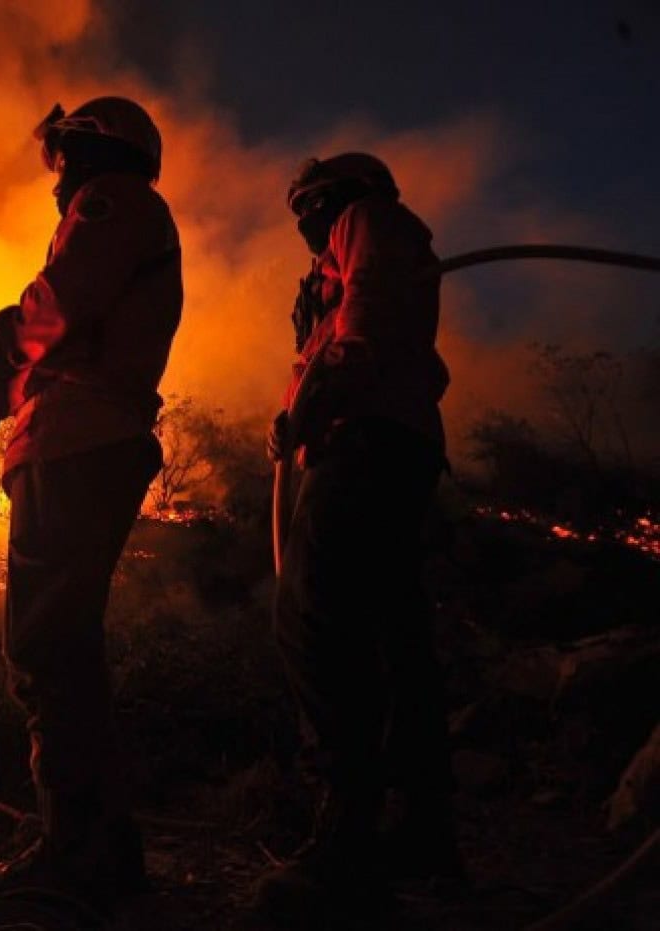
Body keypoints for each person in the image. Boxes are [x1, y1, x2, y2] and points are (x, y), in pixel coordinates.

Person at [0, 96, 183, 902]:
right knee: (64, 649)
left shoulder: (113, 202)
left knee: (48, 650)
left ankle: (74, 855)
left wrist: (13, 334)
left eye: (66, 159)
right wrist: (9, 388)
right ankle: (100, 848)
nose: (59, 183)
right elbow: (78, 345)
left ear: (95, 151)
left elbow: (65, 300)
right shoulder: (125, 212)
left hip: (79, 446)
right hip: (76, 437)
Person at [259, 153, 461, 913]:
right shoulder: (361, 247)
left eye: (305, 208)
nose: (305, 226)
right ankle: (422, 833)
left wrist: (317, 401)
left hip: (366, 438)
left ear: (328, 198)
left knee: (310, 618)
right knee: (392, 635)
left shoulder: (363, 221)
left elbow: (365, 327)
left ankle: (345, 841)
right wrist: (296, 419)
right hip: (390, 438)